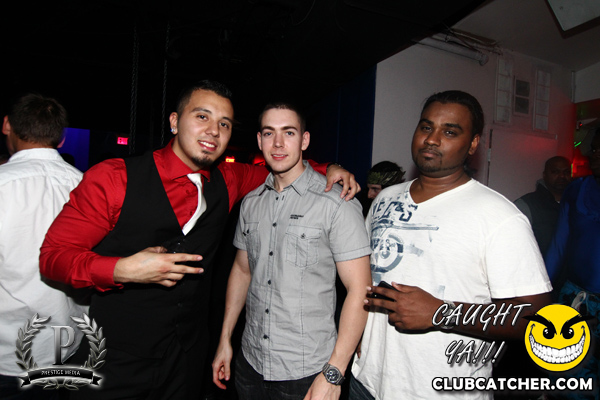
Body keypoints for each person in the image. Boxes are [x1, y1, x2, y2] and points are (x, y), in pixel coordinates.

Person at [39, 80, 359, 399]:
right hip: (116, 359)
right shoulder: (114, 178)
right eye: (202, 117)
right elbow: (52, 257)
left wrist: (331, 168)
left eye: (224, 124)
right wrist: (122, 269)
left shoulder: (229, 179)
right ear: (175, 121)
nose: (213, 131)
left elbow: (284, 167)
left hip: (187, 359)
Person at [350, 90, 552, 399]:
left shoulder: (500, 216)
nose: (432, 139)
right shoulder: (385, 199)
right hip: (366, 382)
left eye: (450, 131)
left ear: (473, 144)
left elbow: (538, 320)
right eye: (426, 127)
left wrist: (442, 312)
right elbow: (366, 279)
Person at [211, 103, 371, 400]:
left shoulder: (337, 203)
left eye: (289, 133)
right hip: (250, 362)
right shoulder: (251, 203)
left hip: (307, 372)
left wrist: (334, 373)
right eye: (269, 133)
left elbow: (360, 290)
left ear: (304, 140)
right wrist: (225, 339)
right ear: (259, 141)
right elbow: (242, 271)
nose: (278, 143)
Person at [0, 93, 88, 399]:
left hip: (7, 355)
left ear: (6, 125)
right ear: (61, 140)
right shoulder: (86, 187)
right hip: (70, 348)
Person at [545, 129, 600, 400]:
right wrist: (541, 293)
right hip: (578, 299)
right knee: (570, 378)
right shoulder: (576, 189)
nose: (594, 154)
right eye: (595, 148)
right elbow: (559, 245)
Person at [514, 156, 571, 255]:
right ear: (545, 175)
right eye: (555, 172)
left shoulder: (580, 205)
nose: (562, 176)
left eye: (566, 172)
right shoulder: (527, 205)